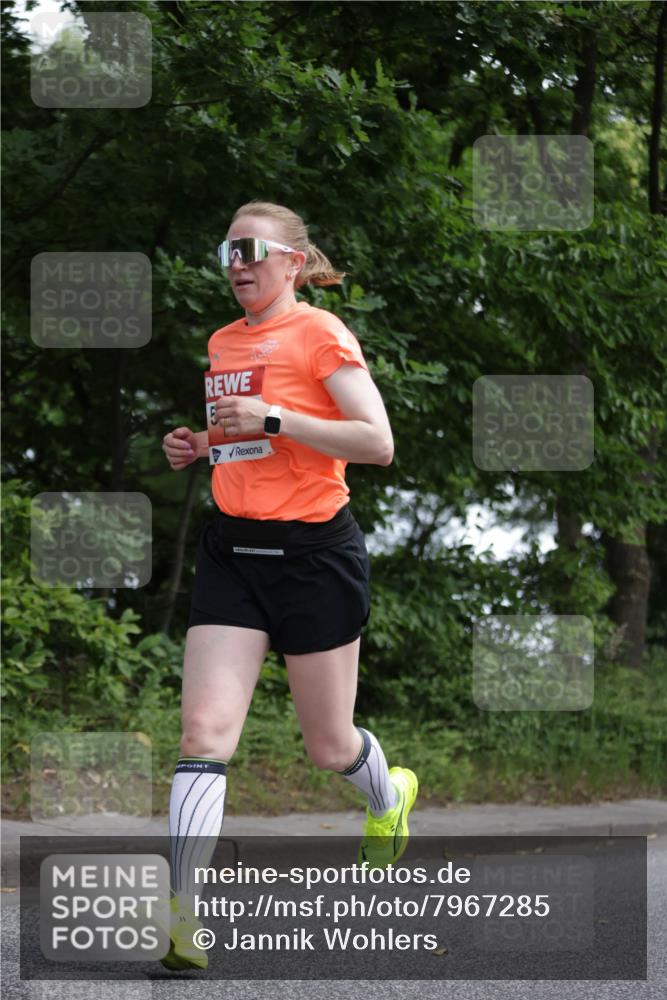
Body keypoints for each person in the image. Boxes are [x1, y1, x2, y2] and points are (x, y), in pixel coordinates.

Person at [160, 200, 418, 970]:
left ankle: (388, 796)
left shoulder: (322, 334)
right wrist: (199, 443)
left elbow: (376, 443)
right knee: (204, 734)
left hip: (314, 555)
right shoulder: (222, 340)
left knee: (328, 745)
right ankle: (183, 920)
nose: (236, 263)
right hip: (235, 551)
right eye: (226, 250)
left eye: (251, 249)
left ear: (292, 262)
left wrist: (272, 417)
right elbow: (245, 445)